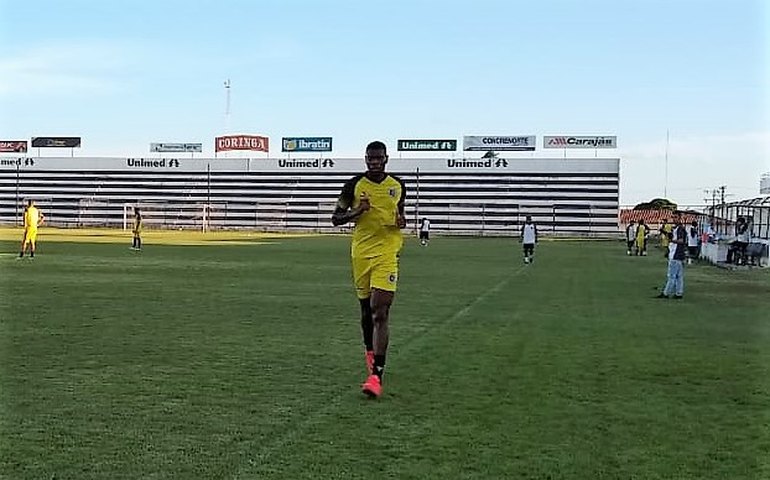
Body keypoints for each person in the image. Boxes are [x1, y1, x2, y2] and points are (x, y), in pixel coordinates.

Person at [331, 141, 406, 398]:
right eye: (370, 158)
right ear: (365, 159)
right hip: (361, 253)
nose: (374, 162)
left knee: (379, 310)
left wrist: (402, 221)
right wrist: (357, 211)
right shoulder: (354, 185)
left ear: (386, 159)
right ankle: (370, 353)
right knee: (366, 310)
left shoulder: (397, 186)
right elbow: (335, 218)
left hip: (387, 252)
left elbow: (400, 214)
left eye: (379, 158)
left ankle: (376, 375)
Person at [657, 215, 687, 299]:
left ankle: (666, 293)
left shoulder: (680, 229)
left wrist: (671, 241)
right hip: (677, 254)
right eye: (673, 217)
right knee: (679, 276)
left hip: (675, 254)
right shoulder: (676, 229)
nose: (674, 219)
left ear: (679, 218)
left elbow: (681, 240)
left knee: (672, 275)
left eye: (676, 217)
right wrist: (664, 232)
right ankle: (679, 293)